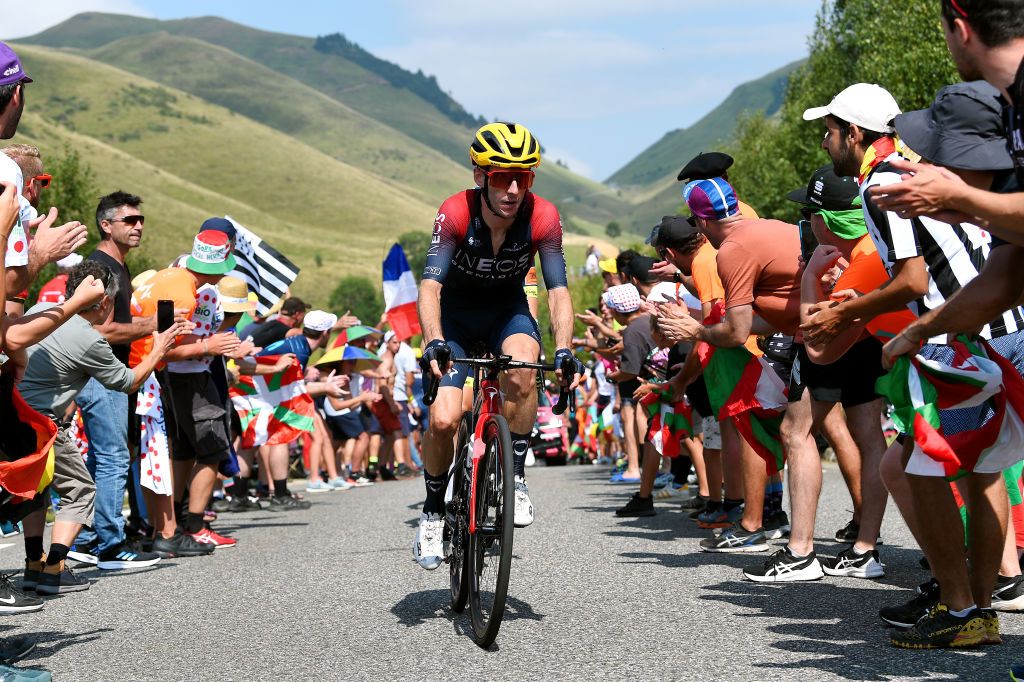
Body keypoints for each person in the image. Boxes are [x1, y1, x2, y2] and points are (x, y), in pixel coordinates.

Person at [805, 80, 1024, 648]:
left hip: (960, 343)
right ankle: (976, 606)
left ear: (854, 134)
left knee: (918, 469)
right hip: (997, 331)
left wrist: (841, 316)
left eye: (829, 132)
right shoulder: (910, 168)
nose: (826, 144)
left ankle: (959, 609)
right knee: (978, 473)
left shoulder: (880, 184)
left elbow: (912, 280)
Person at [414, 121, 582, 570]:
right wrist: (433, 341)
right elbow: (430, 287)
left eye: (522, 178)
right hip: (455, 315)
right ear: (479, 175)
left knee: (525, 370)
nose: (512, 188)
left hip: (507, 310)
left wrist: (563, 347)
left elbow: (557, 291)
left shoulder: (543, 216)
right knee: (445, 418)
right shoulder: (454, 213)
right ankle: (432, 511)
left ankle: (517, 476)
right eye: (501, 176)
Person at [19, 261, 184, 590]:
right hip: (42, 425)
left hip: (13, 414)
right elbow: (127, 381)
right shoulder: (89, 340)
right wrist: (159, 349)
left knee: (33, 491)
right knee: (80, 491)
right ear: (105, 301)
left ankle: (33, 565)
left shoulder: (41, 308)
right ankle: (54, 568)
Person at [70, 191, 174, 568]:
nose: (138, 226)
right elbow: (98, 330)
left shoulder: (116, 266)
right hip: (100, 374)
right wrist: (158, 325)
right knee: (113, 458)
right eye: (129, 220)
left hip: (107, 373)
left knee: (105, 457)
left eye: (140, 219)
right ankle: (108, 545)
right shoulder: (101, 267)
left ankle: (88, 537)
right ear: (106, 224)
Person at [868, 1, 1024, 240]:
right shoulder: (1012, 104)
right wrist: (967, 211)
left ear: (961, 31)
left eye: (945, 33)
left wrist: (958, 196)